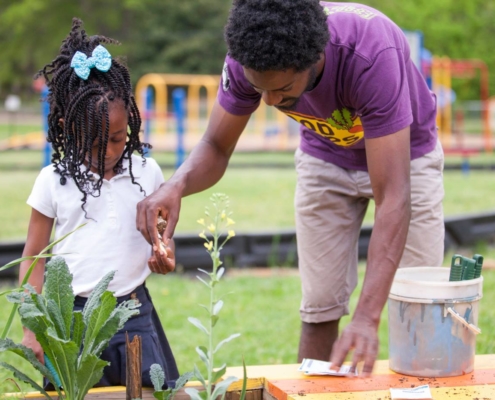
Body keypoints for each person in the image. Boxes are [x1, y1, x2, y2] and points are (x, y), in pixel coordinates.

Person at [136, 0, 444, 376]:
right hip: (325, 157)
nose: (268, 101)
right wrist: (175, 185)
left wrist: (366, 318)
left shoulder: (370, 51)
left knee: (419, 301)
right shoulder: (247, 56)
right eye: (258, 88)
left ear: (315, 56)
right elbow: (216, 147)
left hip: (407, 157)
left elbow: (393, 196)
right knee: (320, 304)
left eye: (282, 89)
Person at [20, 18, 179, 389]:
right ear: (67, 125)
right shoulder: (52, 181)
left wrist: (164, 254)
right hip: (70, 322)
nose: (108, 151)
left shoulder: (147, 173)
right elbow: (33, 257)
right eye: (94, 143)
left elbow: (162, 240)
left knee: (148, 393)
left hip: (133, 313)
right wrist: (32, 328)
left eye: (118, 139)